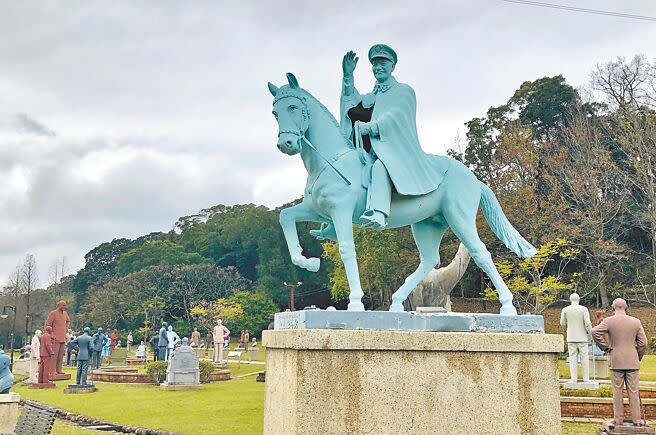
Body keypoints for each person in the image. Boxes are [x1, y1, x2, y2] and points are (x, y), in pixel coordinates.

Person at [313, 44, 447, 241]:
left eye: (382, 63)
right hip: (371, 151)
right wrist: (348, 77)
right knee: (344, 176)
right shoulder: (374, 95)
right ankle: (334, 224)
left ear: (392, 66)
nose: (378, 67)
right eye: (375, 65)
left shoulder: (404, 91)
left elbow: (398, 116)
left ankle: (378, 213)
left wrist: (372, 127)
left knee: (379, 166)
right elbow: (353, 104)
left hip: (395, 151)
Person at [592, 298, 648, 428]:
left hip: (616, 360)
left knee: (617, 391)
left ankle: (618, 420)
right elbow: (643, 343)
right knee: (633, 391)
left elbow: (595, 332)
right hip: (632, 361)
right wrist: (637, 356)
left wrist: (605, 348)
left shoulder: (609, 321)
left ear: (613, 307)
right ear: (626, 307)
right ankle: (637, 420)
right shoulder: (636, 322)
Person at [560, 293, 592, 384]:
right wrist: (590, 334)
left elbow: (562, 323)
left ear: (570, 299)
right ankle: (586, 379)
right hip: (582, 337)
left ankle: (573, 379)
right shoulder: (584, 309)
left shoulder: (565, 310)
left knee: (572, 358)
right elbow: (588, 323)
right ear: (579, 300)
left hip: (571, 337)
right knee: (584, 358)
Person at [44, 299, 71, 378]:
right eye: (62, 305)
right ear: (58, 305)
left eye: (65, 305)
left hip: (62, 338)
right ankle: (52, 371)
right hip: (55, 339)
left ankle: (59, 370)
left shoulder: (65, 314)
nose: (64, 307)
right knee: (54, 356)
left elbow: (68, 321)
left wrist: (66, 329)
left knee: (60, 356)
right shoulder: (53, 313)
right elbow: (47, 324)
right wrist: (52, 334)